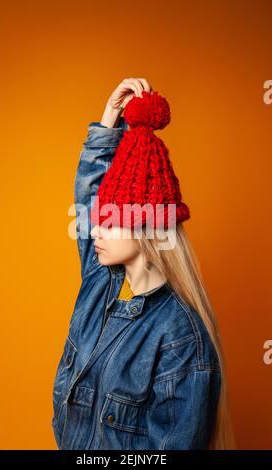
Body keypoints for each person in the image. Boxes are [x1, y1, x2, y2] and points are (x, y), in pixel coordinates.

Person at [52, 78, 235, 450]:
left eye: (111, 218)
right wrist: (109, 119)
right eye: (97, 217)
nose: (95, 228)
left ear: (147, 226)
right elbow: (89, 194)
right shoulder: (99, 283)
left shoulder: (182, 339)